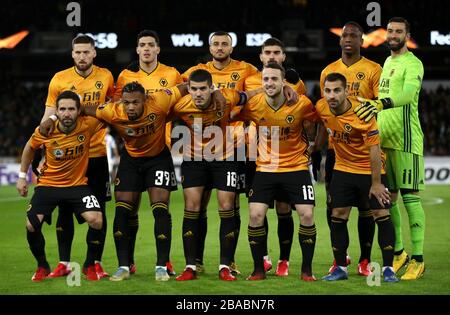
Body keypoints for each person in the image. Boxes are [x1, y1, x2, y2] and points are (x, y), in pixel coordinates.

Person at [81, 81, 189, 281]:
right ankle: (123, 266)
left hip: (158, 159)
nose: (130, 107)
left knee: (160, 208)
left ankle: (161, 265)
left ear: (145, 100)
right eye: (127, 102)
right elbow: (87, 109)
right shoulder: (112, 110)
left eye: (135, 102)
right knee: (122, 210)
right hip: (131, 160)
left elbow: (186, 86)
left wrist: (214, 93)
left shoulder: (160, 100)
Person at [181, 31, 259, 274]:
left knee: (231, 204)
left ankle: (228, 261)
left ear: (231, 48)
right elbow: (180, 90)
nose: (220, 47)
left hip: (234, 145)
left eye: (225, 44)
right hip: (197, 151)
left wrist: (232, 110)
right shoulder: (197, 70)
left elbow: (254, 95)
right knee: (197, 205)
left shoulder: (246, 70)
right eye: (215, 43)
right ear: (210, 46)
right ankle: (195, 262)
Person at [354, 17, 426, 280]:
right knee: (388, 199)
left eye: (399, 31)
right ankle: (399, 253)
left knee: (410, 198)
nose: (393, 35)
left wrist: (380, 103)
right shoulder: (387, 62)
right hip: (383, 140)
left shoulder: (413, 63)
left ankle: (418, 259)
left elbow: (407, 96)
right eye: (391, 31)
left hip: (406, 140)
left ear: (407, 35)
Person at [232, 62, 318, 281]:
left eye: (274, 79)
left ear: (283, 82)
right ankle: (258, 269)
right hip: (265, 168)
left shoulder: (302, 104)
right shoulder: (254, 105)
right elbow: (230, 110)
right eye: (266, 79)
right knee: (255, 215)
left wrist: (314, 145)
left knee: (307, 214)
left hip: (296, 167)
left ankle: (307, 270)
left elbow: (320, 119)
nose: (270, 83)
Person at [38, 34, 114, 279]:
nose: (82, 56)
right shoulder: (59, 79)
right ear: (72, 54)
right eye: (78, 52)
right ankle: (64, 262)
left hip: (96, 154)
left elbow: (113, 110)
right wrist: (44, 153)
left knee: (98, 210)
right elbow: (47, 119)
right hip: (67, 157)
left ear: (94, 53)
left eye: (86, 52)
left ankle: (94, 263)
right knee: (64, 209)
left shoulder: (106, 77)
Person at [315, 73, 398, 282]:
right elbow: (321, 125)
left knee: (380, 213)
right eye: (328, 91)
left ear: (346, 92)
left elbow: (374, 149)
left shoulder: (362, 113)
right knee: (338, 214)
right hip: (343, 169)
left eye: (336, 90)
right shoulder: (321, 107)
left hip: (369, 169)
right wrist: (315, 147)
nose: (332, 95)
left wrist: (377, 183)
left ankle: (388, 269)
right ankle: (340, 267)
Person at [315, 21, 382, 276]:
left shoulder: (374, 70)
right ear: (340, 40)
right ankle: (339, 259)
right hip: (336, 151)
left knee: (367, 208)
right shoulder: (328, 71)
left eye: (354, 35)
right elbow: (324, 114)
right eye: (345, 35)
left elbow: (378, 106)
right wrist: (318, 147)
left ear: (362, 40)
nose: (349, 39)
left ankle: (365, 260)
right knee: (334, 207)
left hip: (364, 150)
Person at [113, 29, 182, 276]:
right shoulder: (125, 76)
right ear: (137, 49)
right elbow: (113, 109)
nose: (146, 49)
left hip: (160, 148)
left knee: (160, 206)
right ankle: (126, 263)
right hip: (132, 150)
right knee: (127, 208)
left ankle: (164, 263)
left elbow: (187, 94)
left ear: (158, 49)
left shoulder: (172, 74)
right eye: (142, 45)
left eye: (151, 45)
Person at [16, 91, 104, 282]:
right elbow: (29, 148)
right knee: (31, 225)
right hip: (48, 185)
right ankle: (42, 265)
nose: (66, 113)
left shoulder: (87, 126)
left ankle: (89, 265)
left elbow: (108, 112)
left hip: (77, 185)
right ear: (56, 110)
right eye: (62, 109)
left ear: (78, 110)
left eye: (71, 109)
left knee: (96, 219)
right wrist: (22, 177)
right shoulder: (46, 130)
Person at [243, 37, 307, 276]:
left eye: (276, 52)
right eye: (267, 52)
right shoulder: (249, 79)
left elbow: (301, 114)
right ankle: (264, 257)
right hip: (255, 153)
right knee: (258, 209)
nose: (271, 56)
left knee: (283, 208)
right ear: (260, 56)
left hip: (287, 157)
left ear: (283, 56)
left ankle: (284, 259)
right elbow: (242, 107)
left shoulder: (296, 83)